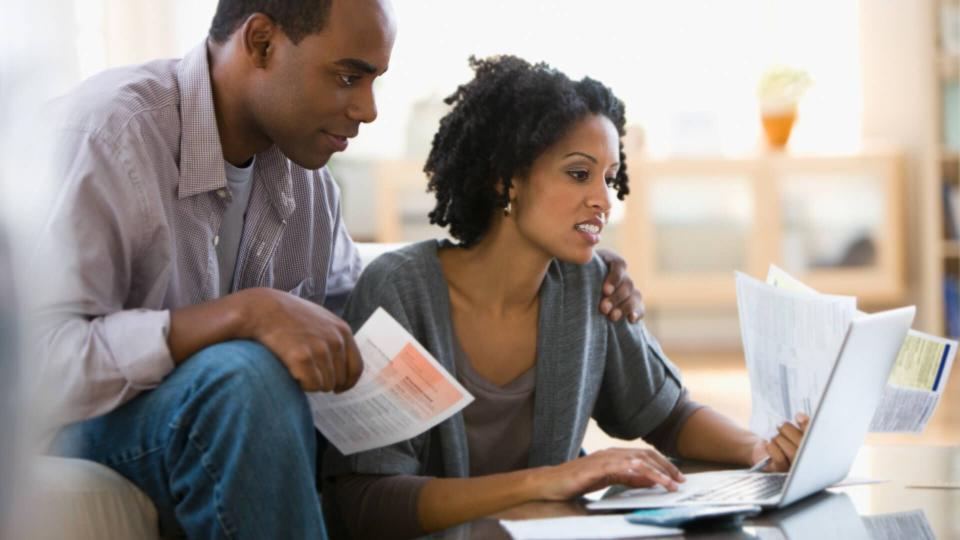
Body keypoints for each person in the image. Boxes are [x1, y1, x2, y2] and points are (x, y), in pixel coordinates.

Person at [34, 1, 647, 538]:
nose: (369, 109)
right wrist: (242, 315)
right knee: (245, 375)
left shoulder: (307, 185)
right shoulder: (111, 133)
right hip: (81, 423)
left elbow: (364, 331)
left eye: (375, 80)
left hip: (220, 419)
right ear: (262, 43)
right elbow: (35, 364)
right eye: (349, 76)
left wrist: (571, 261)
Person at [322, 56, 811, 539]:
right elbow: (367, 504)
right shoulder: (401, 293)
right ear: (505, 178)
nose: (603, 199)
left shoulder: (588, 285)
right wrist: (549, 482)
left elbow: (669, 414)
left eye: (609, 176)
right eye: (579, 174)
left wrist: (759, 450)